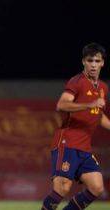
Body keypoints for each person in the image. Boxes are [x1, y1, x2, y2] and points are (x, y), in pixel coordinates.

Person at [41, 43, 109, 210]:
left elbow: (98, 116)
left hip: (84, 148)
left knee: (96, 187)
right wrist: (89, 104)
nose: (93, 64)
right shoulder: (77, 82)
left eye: (97, 61)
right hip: (67, 142)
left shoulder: (103, 88)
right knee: (62, 188)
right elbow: (61, 105)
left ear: (102, 63)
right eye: (89, 60)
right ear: (83, 62)